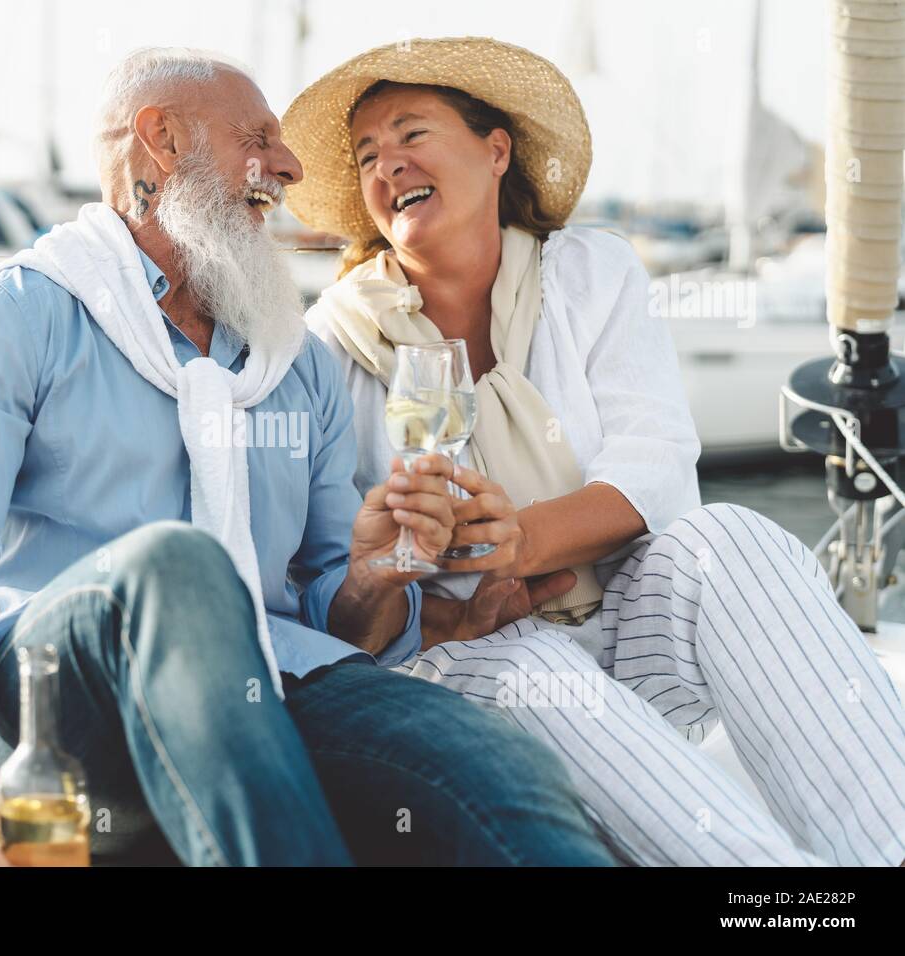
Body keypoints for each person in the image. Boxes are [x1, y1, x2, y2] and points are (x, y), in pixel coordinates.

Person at [0, 47, 616, 867]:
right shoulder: (16, 316)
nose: (288, 167)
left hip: (274, 673)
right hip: (65, 695)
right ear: (163, 140)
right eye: (258, 137)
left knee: (497, 764)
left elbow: (341, 613)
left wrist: (368, 574)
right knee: (179, 567)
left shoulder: (296, 361)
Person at [282, 36, 905, 866]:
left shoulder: (588, 274)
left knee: (734, 538)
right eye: (367, 154)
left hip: (617, 621)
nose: (387, 164)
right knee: (527, 658)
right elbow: (331, 603)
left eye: (411, 135)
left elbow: (655, 467)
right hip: (462, 651)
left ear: (495, 149)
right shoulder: (329, 347)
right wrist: (411, 572)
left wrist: (521, 539)